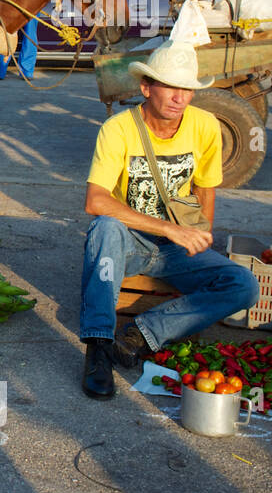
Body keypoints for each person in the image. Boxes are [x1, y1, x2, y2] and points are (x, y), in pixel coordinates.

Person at [78, 39, 259, 400]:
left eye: (187, 89)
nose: (180, 97)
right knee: (105, 228)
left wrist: (201, 232)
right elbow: (95, 201)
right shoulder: (118, 129)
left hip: (176, 248)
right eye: (170, 87)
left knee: (244, 285)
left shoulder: (205, 126)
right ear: (146, 87)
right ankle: (98, 346)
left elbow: (206, 187)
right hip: (129, 242)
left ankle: (140, 335)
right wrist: (168, 228)